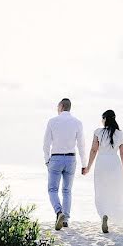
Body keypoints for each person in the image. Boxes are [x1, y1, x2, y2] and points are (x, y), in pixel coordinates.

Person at [42, 97, 88, 231]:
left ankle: (58, 212)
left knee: (52, 189)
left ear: (61, 106)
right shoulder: (77, 123)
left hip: (56, 158)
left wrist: (47, 160)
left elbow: (46, 144)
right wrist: (84, 164)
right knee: (67, 190)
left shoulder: (52, 121)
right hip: (71, 159)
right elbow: (81, 145)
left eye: (57, 107)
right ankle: (65, 220)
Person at [81, 109, 123, 233]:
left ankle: (104, 215)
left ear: (105, 119)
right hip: (115, 164)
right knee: (115, 191)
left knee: (101, 190)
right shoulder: (120, 134)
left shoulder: (98, 132)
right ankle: (111, 215)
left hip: (101, 163)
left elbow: (93, 150)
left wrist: (88, 167)